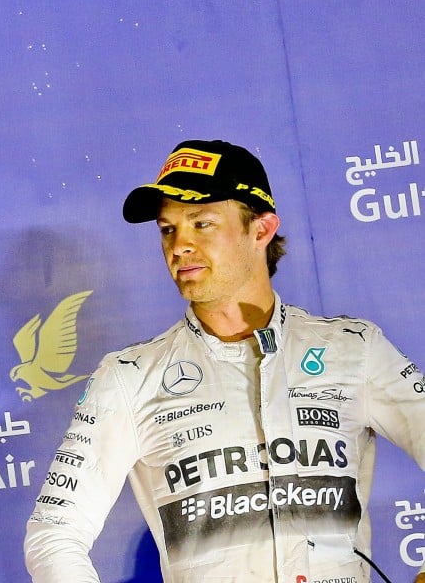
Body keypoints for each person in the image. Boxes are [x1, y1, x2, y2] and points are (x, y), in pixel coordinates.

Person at [24, 139, 425, 582]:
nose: (180, 245)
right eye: (168, 229)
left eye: (202, 223)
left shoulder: (355, 349)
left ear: (261, 230)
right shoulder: (128, 378)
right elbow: (54, 533)